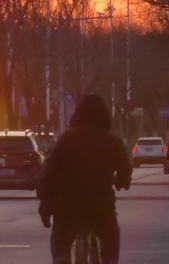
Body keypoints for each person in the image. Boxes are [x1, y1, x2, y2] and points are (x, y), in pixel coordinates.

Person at [38, 94, 132, 264]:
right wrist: (122, 181)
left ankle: (61, 259)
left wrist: (45, 204)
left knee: (60, 238)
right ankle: (110, 260)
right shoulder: (112, 142)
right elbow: (126, 169)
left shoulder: (65, 140)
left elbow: (49, 174)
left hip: (68, 207)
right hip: (100, 207)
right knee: (110, 235)